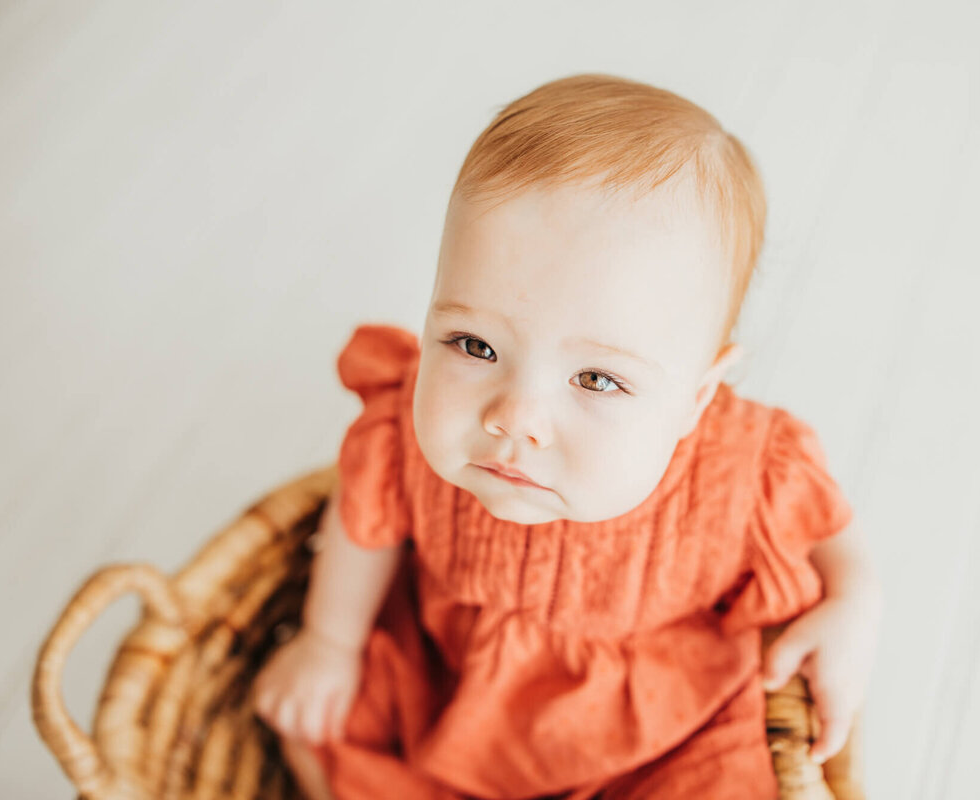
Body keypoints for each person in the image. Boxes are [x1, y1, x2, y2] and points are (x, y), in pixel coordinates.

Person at [252, 73, 883, 800]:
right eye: (474, 345)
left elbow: (825, 528)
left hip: (665, 740)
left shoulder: (740, 470)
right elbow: (363, 524)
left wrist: (857, 602)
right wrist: (329, 643)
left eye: (597, 380)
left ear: (695, 398)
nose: (514, 418)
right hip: (450, 697)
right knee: (315, 722)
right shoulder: (402, 430)